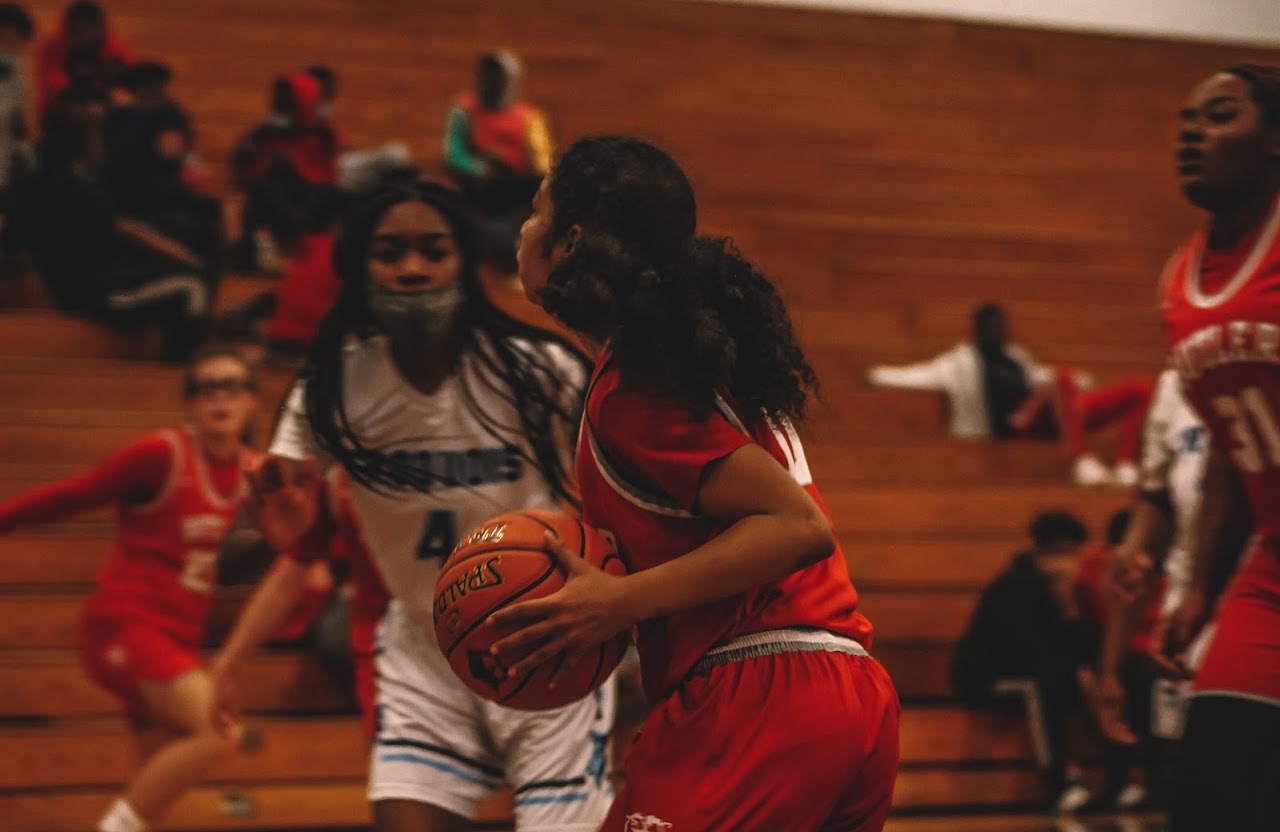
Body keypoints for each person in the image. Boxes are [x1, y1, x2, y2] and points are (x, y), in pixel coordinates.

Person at [505, 135, 899, 831]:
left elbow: (796, 527)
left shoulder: (635, 391)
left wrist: (619, 603)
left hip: (762, 697)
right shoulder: (690, 364)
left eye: (534, 211)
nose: (521, 228)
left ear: (569, 243)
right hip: (845, 686)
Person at [238, 181, 616, 832]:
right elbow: (279, 536)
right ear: (361, 268)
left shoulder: (537, 370)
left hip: (542, 635)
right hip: (421, 646)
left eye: (433, 251)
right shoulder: (329, 387)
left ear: (463, 263)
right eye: (391, 253)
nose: (412, 268)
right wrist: (290, 536)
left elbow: (620, 491)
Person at [0, 346, 260, 832]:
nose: (220, 399)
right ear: (190, 403)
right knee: (220, 731)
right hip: (124, 622)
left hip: (179, 634)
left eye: (232, 387)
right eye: (207, 389)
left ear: (253, 402)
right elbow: (74, 494)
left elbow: (295, 560)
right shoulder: (161, 455)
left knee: (152, 788)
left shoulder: (257, 475)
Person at [1143, 63, 1280, 832]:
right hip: (1270, 569)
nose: (1192, 131)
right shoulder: (1177, 284)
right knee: (1206, 801)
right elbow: (1231, 451)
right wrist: (1199, 594)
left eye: (1220, 115)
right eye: (1185, 120)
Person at [1095, 369, 1227, 809]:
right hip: (1185, 639)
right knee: (1185, 799)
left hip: (1255, 616)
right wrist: (1111, 668)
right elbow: (1154, 503)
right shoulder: (1176, 385)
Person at [4, 108, 217, 361]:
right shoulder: (78, 190)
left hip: (88, 283)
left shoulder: (33, 186)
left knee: (186, 262)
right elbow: (123, 230)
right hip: (99, 293)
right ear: (83, 143)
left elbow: (12, 241)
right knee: (193, 285)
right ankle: (180, 372)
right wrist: (183, 257)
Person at [867, 303, 1153, 487]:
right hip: (1016, 426)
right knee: (1061, 380)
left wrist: (1079, 380)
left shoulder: (1015, 357)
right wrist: (879, 375)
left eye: (1001, 327)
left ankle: (1124, 464)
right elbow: (922, 374)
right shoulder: (961, 360)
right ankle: (1079, 459)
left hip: (1049, 417)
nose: (997, 333)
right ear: (978, 330)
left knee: (1139, 389)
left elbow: (1039, 376)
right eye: (991, 328)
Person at [213, 465, 389, 739]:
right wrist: (226, 665)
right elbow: (288, 576)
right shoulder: (338, 482)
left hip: (450, 650)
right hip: (390, 668)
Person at [950, 510, 1098, 812]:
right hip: (985, 676)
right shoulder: (1013, 586)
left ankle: (1116, 781)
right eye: (1064, 554)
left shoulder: (1061, 589)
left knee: (1072, 680)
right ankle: (1058, 783)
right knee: (1038, 687)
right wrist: (1071, 670)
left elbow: (1079, 648)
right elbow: (1023, 647)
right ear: (1045, 553)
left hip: (1033, 672)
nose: (1070, 564)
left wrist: (1069, 608)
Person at [443, 50, 551, 266]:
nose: (487, 83)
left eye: (495, 77)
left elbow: (542, 162)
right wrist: (478, 168)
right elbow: (453, 153)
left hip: (514, 186)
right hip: (478, 184)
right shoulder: (464, 110)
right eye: (484, 76)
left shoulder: (528, 118)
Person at [231, 71, 342, 272]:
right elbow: (250, 169)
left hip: (310, 194)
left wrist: (298, 168)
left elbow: (327, 173)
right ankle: (258, 257)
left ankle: (311, 252)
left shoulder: (323, 132)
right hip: (276, 190)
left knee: (331, 196)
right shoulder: (266, 131)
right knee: (261, 189)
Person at [304, 64, 413, 196]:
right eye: (329, 89)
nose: (333, 94)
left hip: (340, 165)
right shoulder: (307, 114)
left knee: (397, 152)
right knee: (395, 154)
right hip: (330, 172)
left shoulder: (323, 114)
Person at [36, 1, 132, 120]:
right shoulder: (55, 47)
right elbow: (53, 85)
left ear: (99, 28)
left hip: (105, 106)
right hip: (64, 108)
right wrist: (78, 106)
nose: (83, 33)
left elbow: (129, 83)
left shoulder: (114, 49)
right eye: (78, 28)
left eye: (88, 27)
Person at [0, 3, 33, 211]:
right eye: (3, 38)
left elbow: (18, 127)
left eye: (16, 42)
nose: (8, 47)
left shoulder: (15, 78)